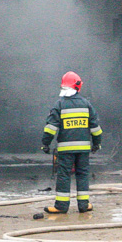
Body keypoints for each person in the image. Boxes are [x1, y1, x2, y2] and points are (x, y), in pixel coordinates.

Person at [39, 71, 102, 215]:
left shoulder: (59, 104)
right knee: (82, 174)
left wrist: (45, 144)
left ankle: (61, 206)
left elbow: (51, 128)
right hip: (83, 149)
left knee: (64, 175)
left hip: (65, 150)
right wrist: (97, 144)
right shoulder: (86, 104)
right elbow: (95, 128)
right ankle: (83, 205)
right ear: (78, 86)